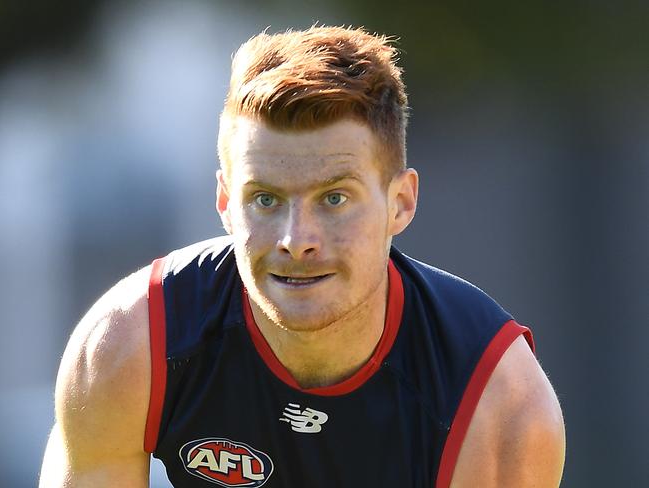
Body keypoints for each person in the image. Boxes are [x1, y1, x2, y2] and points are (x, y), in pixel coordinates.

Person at [40, 26, 565, 487]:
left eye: (334, 199)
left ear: (400, 204)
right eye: (265, 199)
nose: (297, 239)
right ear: (225, 203)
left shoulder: (495, 400)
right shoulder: (131, 344)